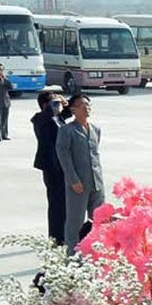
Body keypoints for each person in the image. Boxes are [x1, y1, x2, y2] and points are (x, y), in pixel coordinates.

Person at [55, 92, 105, 248]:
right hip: (78, 183)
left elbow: (94, 154)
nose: (87, 108)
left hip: (96, 182)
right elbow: (64, 157)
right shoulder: (67, 130)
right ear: (74, 109)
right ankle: (72, 254)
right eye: (83, 105)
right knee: (75, 222)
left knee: (99, 220)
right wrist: (73, 180)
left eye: (88, 105)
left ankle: (95, 252)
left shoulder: (95, 129)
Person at [31, 89, 67, 241]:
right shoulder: (40, 119)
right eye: (54, 102)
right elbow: (45, 118)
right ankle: (55, 236)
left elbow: (72, 109)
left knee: (64, 202)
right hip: (51, 167)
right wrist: (50, 108)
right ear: (45, 105)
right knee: (56, 203)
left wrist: (65, 103)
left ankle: (64, 233)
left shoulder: (57, 118)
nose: (57, 105)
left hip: (62, 166)